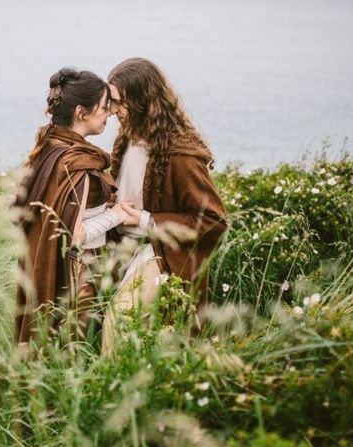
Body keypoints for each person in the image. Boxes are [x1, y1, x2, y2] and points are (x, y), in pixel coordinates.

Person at [102, 57, 228, 354]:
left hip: (164, 255)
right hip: (125, 250)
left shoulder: (180, 153)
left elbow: (214, 220)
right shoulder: (127, 138)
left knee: (117, 323)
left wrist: (147, 221)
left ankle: (109, 396)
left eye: (117, 102)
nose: (111, 111)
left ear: (141, 100)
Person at [13, 67, 138, 346]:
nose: (110, 114)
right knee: (73, 347)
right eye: (104, 108)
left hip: (41, 268)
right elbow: (73, 235)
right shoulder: (77, 164)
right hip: (78, 275)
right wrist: (115, 215)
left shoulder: (50, 146)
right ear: (82, 113)